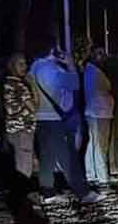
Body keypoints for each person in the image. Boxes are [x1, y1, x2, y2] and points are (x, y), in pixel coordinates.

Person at [30, 46, 101, 205]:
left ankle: (48, 192)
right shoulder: (48, 68)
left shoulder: (33, 67)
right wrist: (70, 65)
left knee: (47, 157)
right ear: (51, 50)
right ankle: (82, 192)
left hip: (41, 117)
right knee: (68, 156)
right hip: (55, 116)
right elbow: (73, 84)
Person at [0, 53, 39, 189]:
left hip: (14, 130)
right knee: (24, 167)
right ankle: (23, 198)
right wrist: (33, 85)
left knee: (21, 163)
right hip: (22, 130)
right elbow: (34, 107)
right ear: (12, 66)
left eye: (25, 64)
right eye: (20, 64)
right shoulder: (19, 86)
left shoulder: (7, 83)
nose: (25, 67)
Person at [83, 47, 115, 184]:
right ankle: (102, 175)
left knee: (93, 143)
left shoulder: (87, 71)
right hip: (100, 111)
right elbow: (107, 87)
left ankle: (91, 173)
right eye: (101, 56)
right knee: (101, 144)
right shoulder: (97, 73)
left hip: (92, 111)